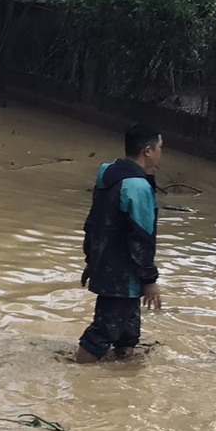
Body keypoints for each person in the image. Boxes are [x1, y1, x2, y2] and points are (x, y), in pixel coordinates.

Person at [78, 124, 163, 363]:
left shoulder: (108, 176)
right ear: (148, 151)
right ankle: (77, 378)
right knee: (101, 334)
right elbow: (142, 238)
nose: (160, 152)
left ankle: (120, 386)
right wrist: (149, 280)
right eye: (160, 147)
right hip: (123, 276)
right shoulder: (138, 187)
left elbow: (93, 224)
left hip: (108, 267)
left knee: (127, 334)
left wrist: (91, 261)